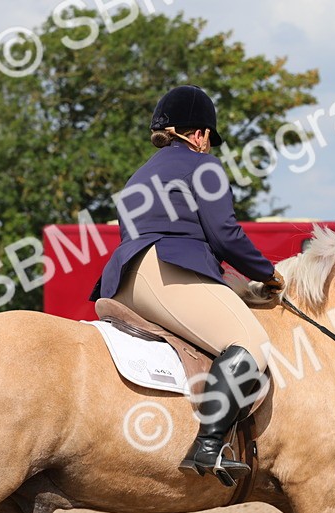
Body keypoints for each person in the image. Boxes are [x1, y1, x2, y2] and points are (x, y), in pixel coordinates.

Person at [92, 85, 283, 486]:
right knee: (252, 344)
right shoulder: (203, 167)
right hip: (164, 271)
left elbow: (194, 251)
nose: (209, 146)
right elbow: (225, 236)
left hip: (126, 279)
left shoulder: (137, 176)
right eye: (209, 138)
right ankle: (209, 445)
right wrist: (267, 273)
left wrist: (244, 289)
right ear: (198, 134)